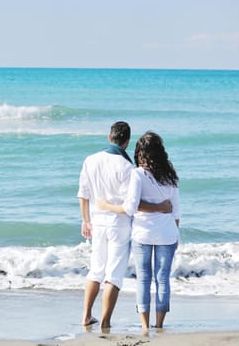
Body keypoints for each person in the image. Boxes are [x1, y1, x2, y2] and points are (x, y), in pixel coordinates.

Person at [77, 122, 171, 328]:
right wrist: (161, 208)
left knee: (95, 270)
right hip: (118, 224)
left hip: (97, 223)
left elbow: (83, 194)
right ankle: (105, 321)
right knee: (114, 274)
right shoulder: (128, 167)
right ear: (127, 141)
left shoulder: (90, 160)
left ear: (109, 137)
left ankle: (86, 315)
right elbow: (133, 204)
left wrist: (85, 220)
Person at [98, 131, 180, 330]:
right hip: (168, 233)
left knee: (144, 278)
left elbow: (131, 206)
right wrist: (172, 229)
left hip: (143, 233)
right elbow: (175, 210)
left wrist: (106, 205)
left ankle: (145, 326)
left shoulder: (138, 174)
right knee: (163, 279)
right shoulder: (171, 175)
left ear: (140, 153)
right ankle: (159, 324)